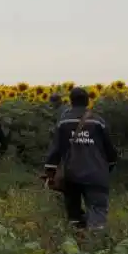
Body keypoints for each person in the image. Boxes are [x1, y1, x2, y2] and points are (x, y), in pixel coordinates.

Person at [44, 87, 118, 231]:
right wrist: (108, 168)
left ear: (70, 101)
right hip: (96, 173)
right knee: (97, 211)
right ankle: (96, 244)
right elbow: (110, 150)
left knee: (74, 214)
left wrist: (50, 171)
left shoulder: (63, 122)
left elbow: (56, 149)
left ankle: (78, 243)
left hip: (72, 174)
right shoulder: (98, 121)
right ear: (88, 101)